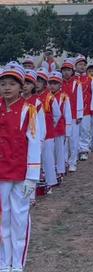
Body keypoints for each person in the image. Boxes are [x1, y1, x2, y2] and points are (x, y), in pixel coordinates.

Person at [0, 62, 41, 272]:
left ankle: (17, 264)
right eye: (3, 84)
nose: (7, 88)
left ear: (22, 86)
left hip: (20, 174)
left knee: (19, 218)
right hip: (0, 173)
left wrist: (32, 178)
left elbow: (34, 143)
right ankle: (3, 262)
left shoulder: (29, 110)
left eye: (12, 84)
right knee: (2, 218)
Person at [36, 68, 61, 190]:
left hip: (48, 133)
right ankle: (39, 181)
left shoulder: (50, 97)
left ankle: (51, 181)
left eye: (40, 81)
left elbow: (57, 114)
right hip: (35, 134)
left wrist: (50, 126)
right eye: (35, 80)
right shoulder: (31, 97)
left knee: (48, 158)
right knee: (37, 158)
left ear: (45, 83)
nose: (36, 83)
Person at [48, 71, 72, 182]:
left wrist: (67, 130)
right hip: (48, 129)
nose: (52, 85)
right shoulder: (47, 97)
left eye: (55, 83)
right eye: (50, 83)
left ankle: (61, 170)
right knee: (50, 151)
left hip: (59, 128)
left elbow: (67, 114)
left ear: (60, 84)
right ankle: (51, 170)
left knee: (60, 150)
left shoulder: (63, 97)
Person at [61, 58, 83, 172]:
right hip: (62, 117)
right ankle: (64, 161)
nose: (66, 72)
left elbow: (79, 98)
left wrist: (79, 115)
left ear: (72, 71)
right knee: (63, 140)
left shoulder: (77, 83)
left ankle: (72, 162)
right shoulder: (59, 83)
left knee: (73, 140)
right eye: (64, 70)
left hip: (74, 116)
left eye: (68, 70)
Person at [76, 56, 93, 161]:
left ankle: (84, 150)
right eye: (80, 64)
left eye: (84, 65)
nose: (82, 66)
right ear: (75, 66)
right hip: (73, 110)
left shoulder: (90, 79)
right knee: (75, 131)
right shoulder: (73, 79)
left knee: (85, 130)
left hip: (86, 109)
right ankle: (75, 150)